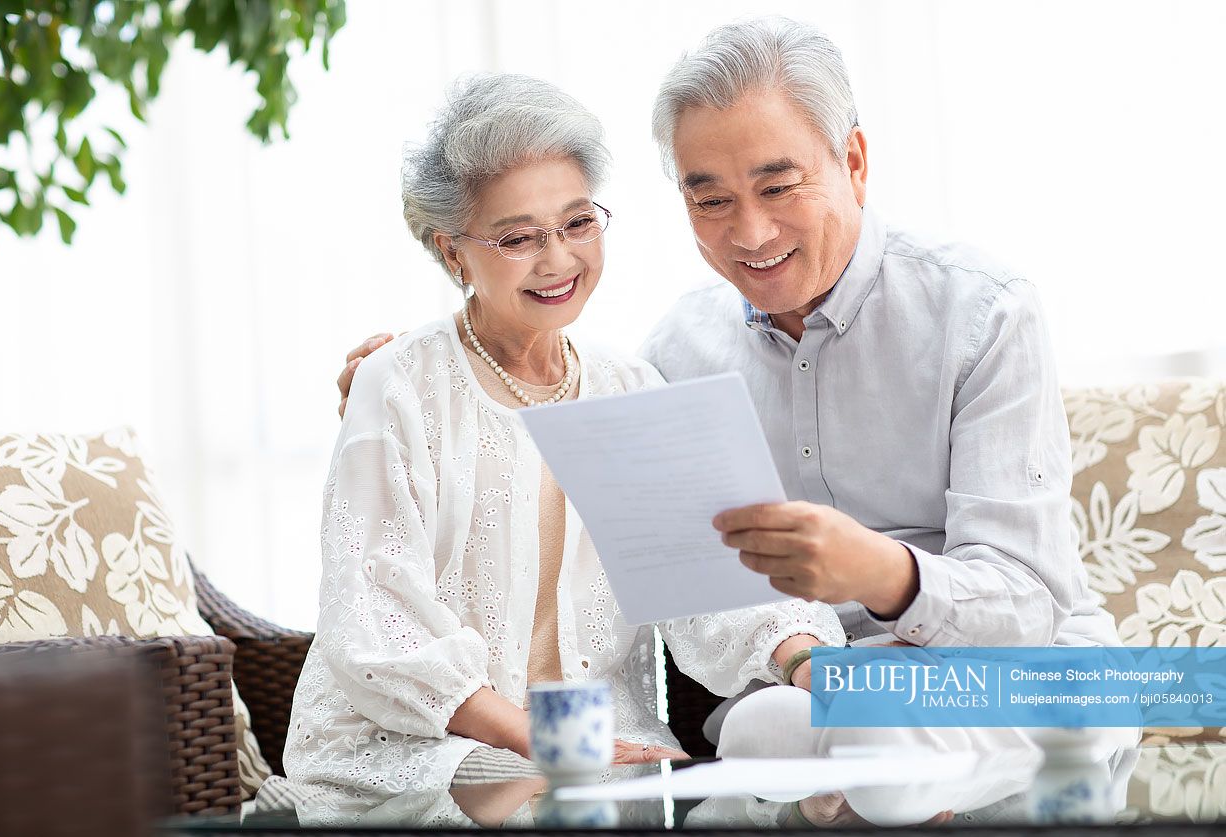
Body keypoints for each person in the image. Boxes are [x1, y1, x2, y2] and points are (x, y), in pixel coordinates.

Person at [338, 17, 1119, 651]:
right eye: (708, 200)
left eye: (778, 186)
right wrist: (414, 385)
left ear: (852, 160)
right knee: (769, 737)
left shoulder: (982, 314)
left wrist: (881, 572)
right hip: (801, 693)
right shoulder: (673, 356)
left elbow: (1030, 604)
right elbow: (567, 479)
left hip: (1004, 674)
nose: (749, 232)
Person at [281, 73, 843, 798]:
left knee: (786, 777)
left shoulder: (630, 386)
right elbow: (377, 615)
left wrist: (811, 665)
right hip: (422, 742)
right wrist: (538, 744)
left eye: (578, 223)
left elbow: (714, 582)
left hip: (597, 745)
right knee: (520, 793)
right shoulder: (396, 382)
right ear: (452, 251)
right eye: (518, 237)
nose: (558, 259)